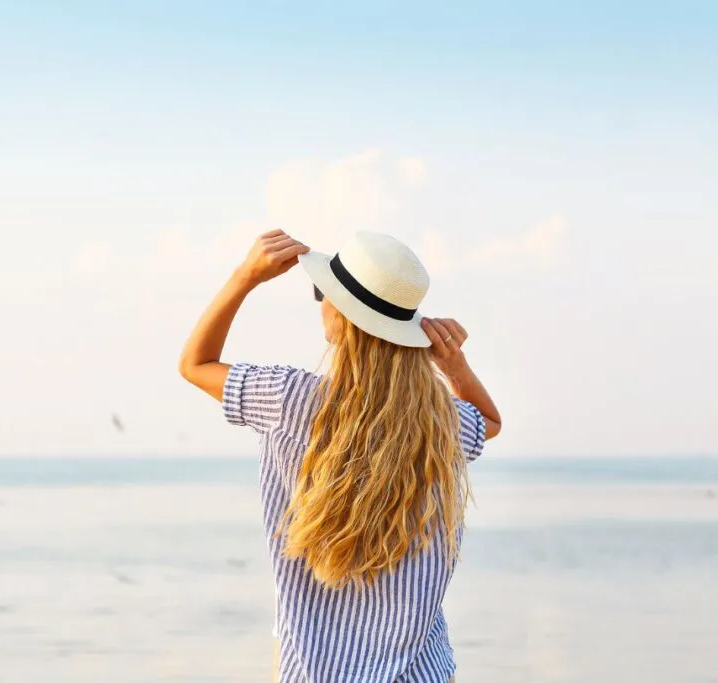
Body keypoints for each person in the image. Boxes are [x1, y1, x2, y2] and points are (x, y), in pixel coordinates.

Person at [178, 230, 501, 682]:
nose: (320, 303)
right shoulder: (438, 423)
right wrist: (454, 366)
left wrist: (245, 277)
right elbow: (488, 420)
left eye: (321, 292)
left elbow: (195, 364)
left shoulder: (288, 399)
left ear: (342, 316)